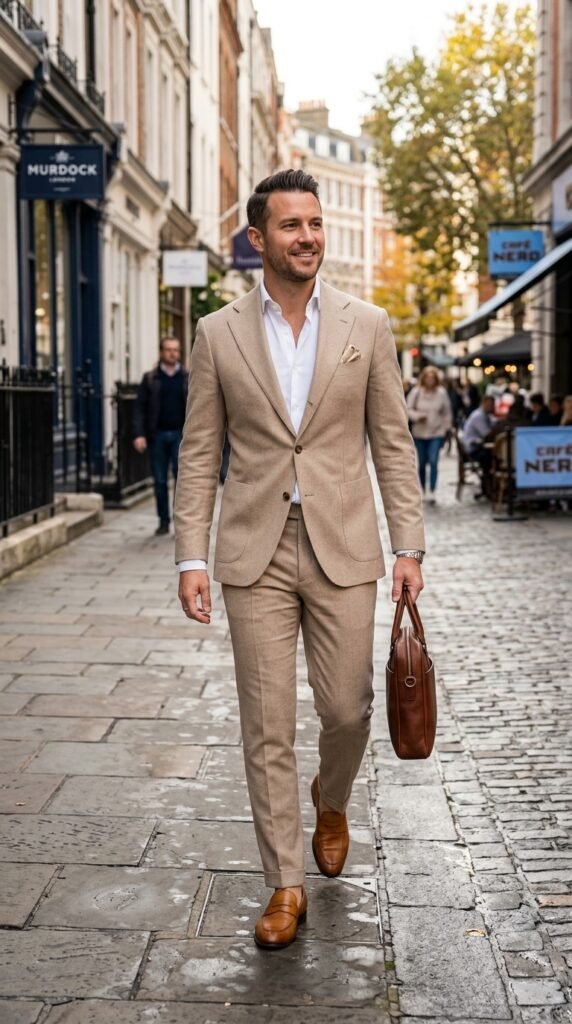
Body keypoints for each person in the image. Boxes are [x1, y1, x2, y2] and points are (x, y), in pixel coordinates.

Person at [174, 169, 425, 951]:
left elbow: (392, 442)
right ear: (259, 240)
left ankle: (332, 794)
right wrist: (190, 554)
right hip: (255, 549)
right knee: (266, 722)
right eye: (291, 226)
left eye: (314, 224)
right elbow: (199, 452)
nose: (308, 237)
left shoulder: (367, 325)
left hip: (345, 544)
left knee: (347, 708)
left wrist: (407, 544)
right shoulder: (218, 335)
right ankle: (285, 882)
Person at [133, 336, 189, 535]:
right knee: (159, 481)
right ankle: (163, 521)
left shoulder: (187, 378)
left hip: (180, 436)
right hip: (157, 435)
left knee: (181, 481)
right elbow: (139, 408)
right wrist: (139, 434)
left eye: (175, 350)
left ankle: (180, 522)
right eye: (168, 349)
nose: (172, 353)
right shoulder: (150, 379)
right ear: (161, 352)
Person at [406, 366, 452, 503]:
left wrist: (446, 429)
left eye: (433, 377)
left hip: (436, 432)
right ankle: (423, 489)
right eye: (428, 377)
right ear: (424, 378)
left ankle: (432, 490)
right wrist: (417, 416)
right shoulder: (416, 392)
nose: (430, 380)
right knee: (421, 463)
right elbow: (407, 409)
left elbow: (447, 413)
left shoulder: (441, 393)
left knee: (433, 461)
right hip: (420, 433)